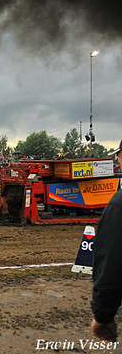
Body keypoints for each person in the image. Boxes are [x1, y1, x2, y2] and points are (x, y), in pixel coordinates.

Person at [91, 139, 122, 342]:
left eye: (118, 155)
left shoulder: (119, 206)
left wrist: (103, 316)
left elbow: (111, 263)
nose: (117, 160)